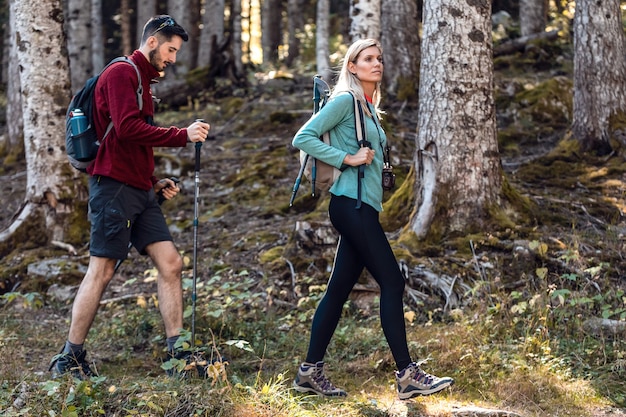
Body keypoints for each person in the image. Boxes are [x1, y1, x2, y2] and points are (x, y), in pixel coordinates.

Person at [291, 39, 454, 400]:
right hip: (352, 206)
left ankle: (309, 373)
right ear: (352, 66)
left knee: (338, 290)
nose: (376, 63)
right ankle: (407, 375)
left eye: (379, 58)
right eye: (367, 59)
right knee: (393, 283)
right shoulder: (346, 101)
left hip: (361, 206)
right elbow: (302, 137)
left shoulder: (366, 107)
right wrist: (346, 159)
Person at [49, 15, 210, 379]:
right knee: (102, 270)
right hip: (113, 187)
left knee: (170, 263)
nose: (172, 58)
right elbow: (126, 128)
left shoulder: (143, 80)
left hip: (138, 188)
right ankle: (69, 357)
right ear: (152, 41)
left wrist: (152, 181)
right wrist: (182, 135)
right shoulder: (122, 73)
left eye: (176, 52)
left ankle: (177, 356)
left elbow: (133, 140)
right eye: (170, 49)